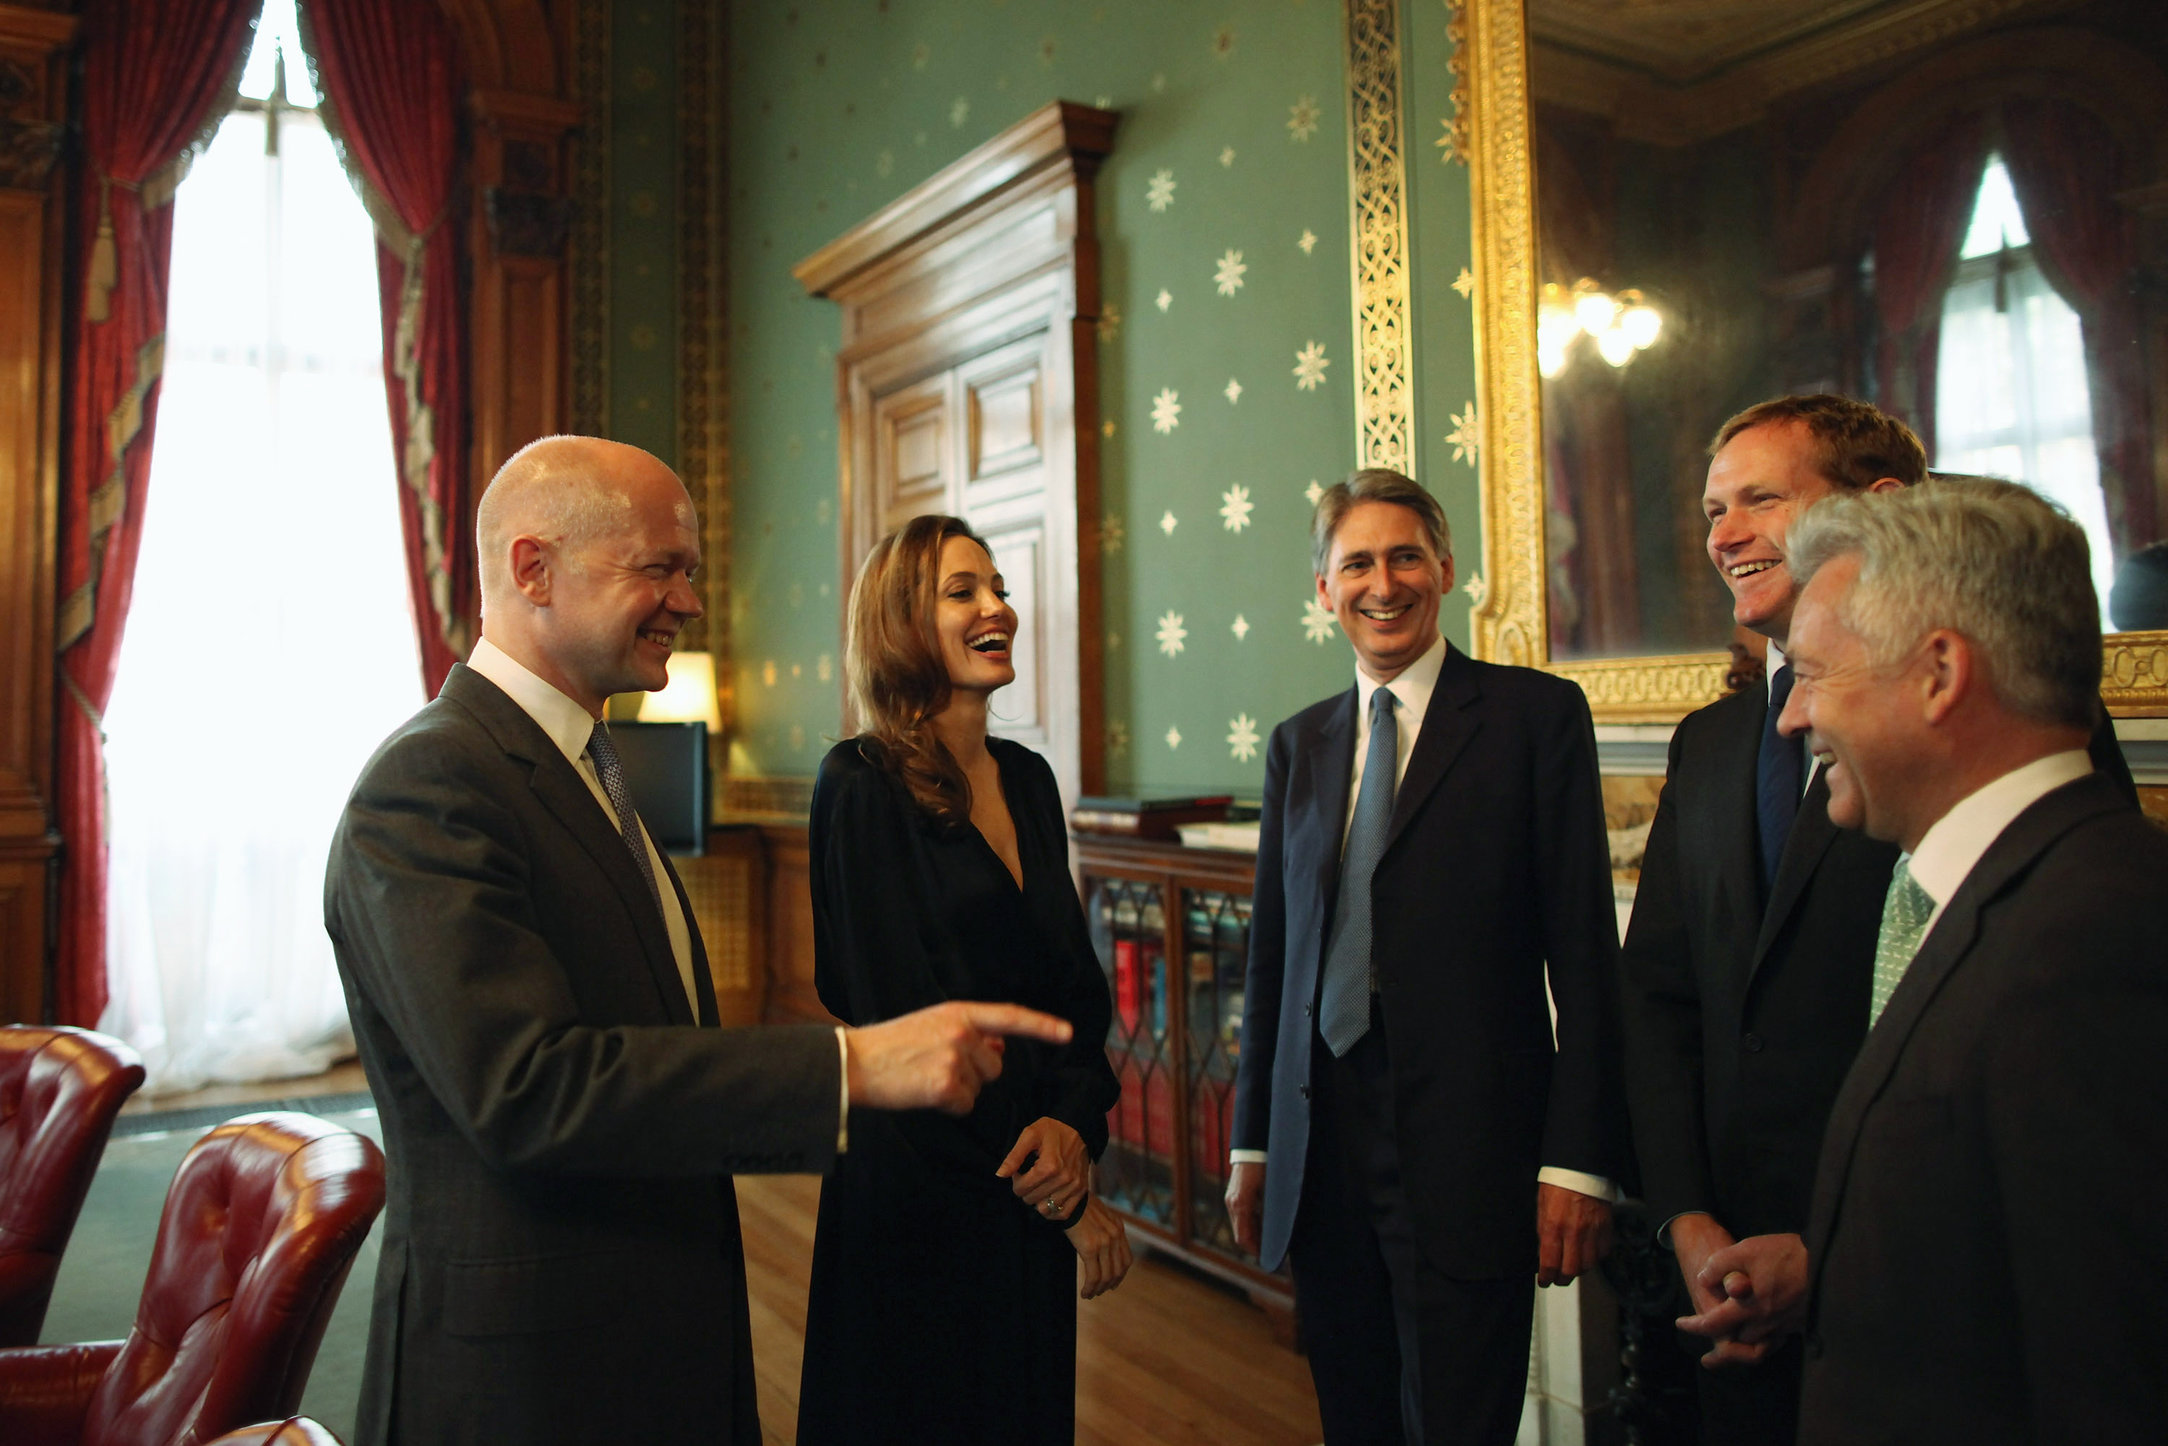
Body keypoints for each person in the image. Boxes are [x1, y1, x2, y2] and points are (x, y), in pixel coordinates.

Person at [325, 438, 1074, 1445]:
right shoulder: (430, 785)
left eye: (691, 571)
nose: (687, 600)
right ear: (532, 569)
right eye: (658, 568)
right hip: (532, 1373)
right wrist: (849, 1064)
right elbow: (526, 1088)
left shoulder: (591, 764)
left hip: (652, 1339)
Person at [1617, 399, 2135, 1442]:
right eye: (1710, 508)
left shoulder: (2071, 857)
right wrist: (1689, 1222)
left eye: (1757, 499)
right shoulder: (1713, 742)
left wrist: (1826, 1253)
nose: (1721, 534)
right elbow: (1659, 997)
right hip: (1733, 1299)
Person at [1227, 469, 1628, 1445]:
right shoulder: (1297, 745)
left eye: (1404, 555)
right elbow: (1273, 960)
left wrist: (1577, 1163)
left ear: (1445, 569)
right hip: (1320, 1147)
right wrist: (1253, 1142)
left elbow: (1584, 958)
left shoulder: (1534, 720)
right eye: (1354, 562)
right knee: (1354, 1418)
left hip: (1469, 1154)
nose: (1382, 582)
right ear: (1322, 590)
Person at [795, 515, 1128, 1445]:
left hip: (1032, 1186)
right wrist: (1057, 1187)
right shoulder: (858, 784)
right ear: (902, 621)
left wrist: (1073, 1128)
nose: (998, 609)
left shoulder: (1027, 779)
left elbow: (1075, 994)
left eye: (999, 589)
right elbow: (897, 1019)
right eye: (962, 592)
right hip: (919, 1199)